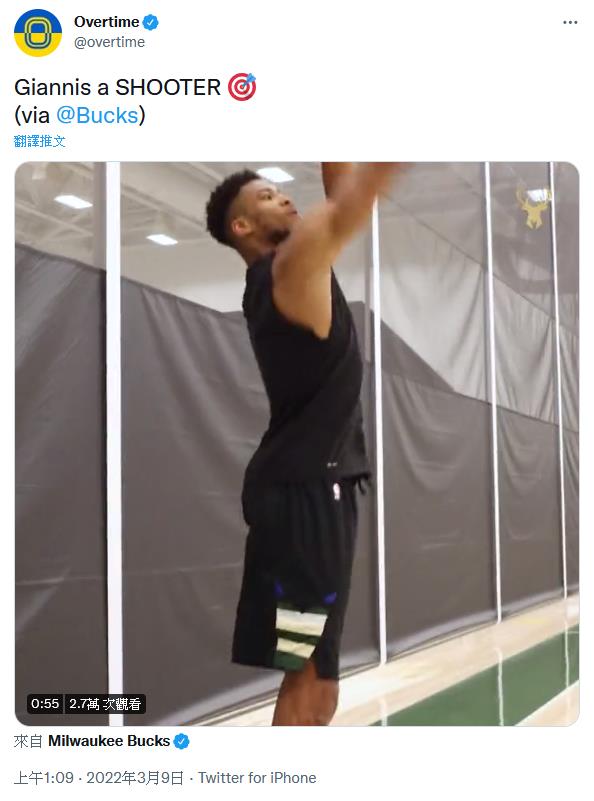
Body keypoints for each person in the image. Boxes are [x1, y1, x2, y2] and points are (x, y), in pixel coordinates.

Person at [205, 163, 398, 725]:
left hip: (306, 490)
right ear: (242, 227)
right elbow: (350, 201)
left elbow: (340, 198)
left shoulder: (290, 271)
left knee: (313, 674)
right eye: (268, 196)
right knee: (312, 677)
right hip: (308, 496)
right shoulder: (287, 270)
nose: (285, 198)